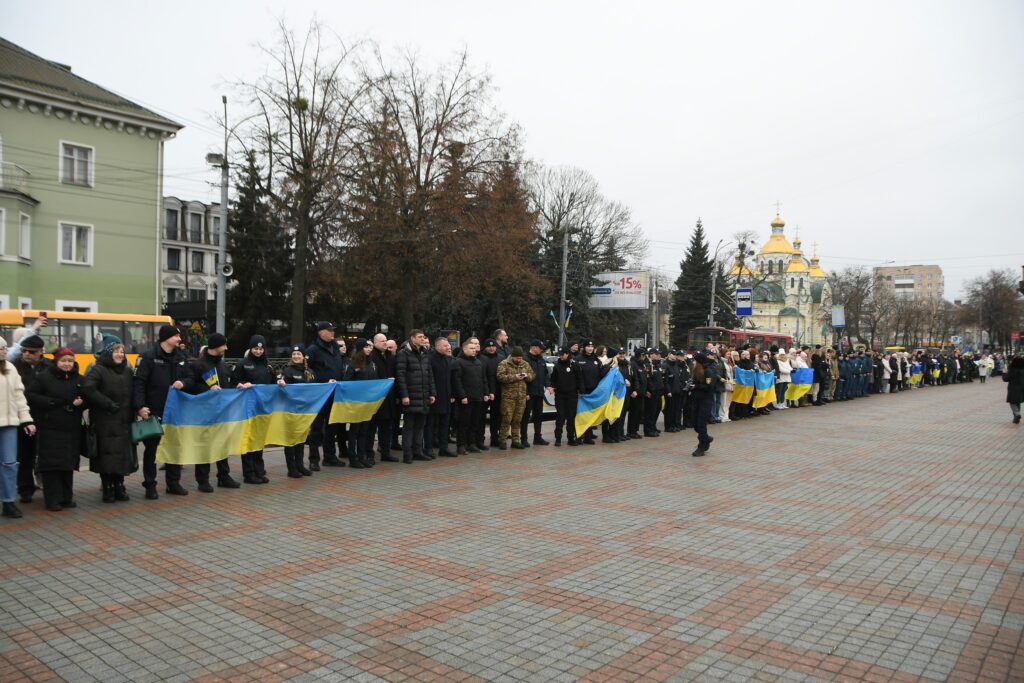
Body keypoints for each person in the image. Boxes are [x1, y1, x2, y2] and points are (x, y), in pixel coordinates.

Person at [133, 324, 191, 497]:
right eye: (176, 336)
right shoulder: (149, 357)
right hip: (154, 411)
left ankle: (173, 483)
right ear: (166, 338)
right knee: (152, 451)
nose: (180, 339)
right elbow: (139, 383)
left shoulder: (181, 357)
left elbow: (190, 377)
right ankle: (150, 486)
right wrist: (140, 407)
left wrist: (184, 383)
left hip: (175, 412)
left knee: (174, 447)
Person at [26, 348, 84, 511]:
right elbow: (31, 395)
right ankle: (52, 500)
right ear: (56, 362)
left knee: (67, 464)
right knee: (51, 466)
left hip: (71, 428)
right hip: (50, 427)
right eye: (63, 361)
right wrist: (53, 403)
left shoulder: (78, 378)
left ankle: (67, 498)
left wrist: (81, 402)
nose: (67, 364)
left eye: (70, 361)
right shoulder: (44, 377)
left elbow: (88, 395)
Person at [182, 333, 240, 491]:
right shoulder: (198, 365)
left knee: (222, 444)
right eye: (224, 345)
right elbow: (191, 387)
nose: (226, 348)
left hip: (222, 413)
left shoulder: (223, 366)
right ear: (215, 346)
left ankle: (223, 476)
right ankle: (203, 480)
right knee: (204, 446)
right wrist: (208, 389)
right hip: (204, 413)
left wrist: (238, 387)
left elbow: (230, 384)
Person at [82, 338, 137, 503]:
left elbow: (133, 393)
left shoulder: (127, 371)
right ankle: (108, 488)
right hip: (104, 420)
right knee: (106, 457)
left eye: (122, 352)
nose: (120, 354)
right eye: (116, 351)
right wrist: (107, 404)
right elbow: (87, 388)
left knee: (121, 456)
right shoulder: (99, 369)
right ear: (108, 353)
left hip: (123, 421)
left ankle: (119, 485)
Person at [231, 335, 277, 484]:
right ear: (250, 349)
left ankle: (259, 471)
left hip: (262, 409)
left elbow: (272, 384)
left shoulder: (267, 366)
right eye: (255, 349)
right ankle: (249, 474)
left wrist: (279, 381)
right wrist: (242, 384)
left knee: (259, 440)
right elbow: (234, 383)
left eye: (260, 349)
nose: (258, 351)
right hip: (247, 409)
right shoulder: (243, 364)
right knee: (249, 441)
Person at [0, 336, 36, 519]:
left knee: (9, 464)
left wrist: (27, 420)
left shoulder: (10, 368)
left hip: (10, 425)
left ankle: (8, 502)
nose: (4, 351)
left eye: (5, 348)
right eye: (1, 349)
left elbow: (19, 397)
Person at [12, 334, 47, 503]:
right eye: (24, 351)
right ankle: (25, 488)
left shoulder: (48, 366)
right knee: (24, 456)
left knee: (45, 454)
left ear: (41, 352)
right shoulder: (15, 367)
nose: (26, 354)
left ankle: (47, 484)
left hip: (45, 417)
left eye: (31, 352)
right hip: (23, 419)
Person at [305, 322, 345, 469]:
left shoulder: (335, 347)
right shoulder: (313, 350)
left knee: (332, 426)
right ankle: (313, 459)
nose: (332, 333)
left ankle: (330, 457)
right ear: (321, 332)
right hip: (320, 394)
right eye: (329, 330)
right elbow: (308, 372)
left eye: (333, 330)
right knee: (316, 428)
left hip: (335, 393)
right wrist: (323, 381)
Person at [395, 329, 436, 463]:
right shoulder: (404, 353)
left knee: (420, 425)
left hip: (423, 395)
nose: (423, 339)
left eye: (423, 337)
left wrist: (432, 393)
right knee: (409, 426)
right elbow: (400, 375)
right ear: (412, 338)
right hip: (411, 396)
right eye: (420, 337)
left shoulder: (425, 353)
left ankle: (417, 451)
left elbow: (429, 374)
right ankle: (407, 454)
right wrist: (404, 395)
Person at [342, 338, 383, 468]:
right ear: (360, 348)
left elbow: (375, 381)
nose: (369, 349)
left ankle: (362, 456)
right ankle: (353, 458)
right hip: (356, 403)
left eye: (370, 347)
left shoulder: (372, 363)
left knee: (364, 431)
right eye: (366, 347)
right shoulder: (353, 364)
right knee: (354, 431)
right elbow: (346, 382)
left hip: (368, 403)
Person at [279, 345, 315, 477]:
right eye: (293, 354)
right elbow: (281, 387)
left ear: (303, 356)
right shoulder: (287, 371)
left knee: (301, 438)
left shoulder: (309, 371)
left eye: (298, 354)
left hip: (304, 411)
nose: (295, 356)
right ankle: (291, 468)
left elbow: (315, 388)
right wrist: (281, 384)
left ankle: (300, 465)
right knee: (290, 439)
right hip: (290, 410)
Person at [452, 337, 491, 455]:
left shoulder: (479, 362)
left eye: (475, 348)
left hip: (478, 397)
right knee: (464, 423)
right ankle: (461, 445)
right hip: (465, 399)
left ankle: (471, 443)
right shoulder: (458, 362)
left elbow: (483, 379)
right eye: (471, 348)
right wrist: (462, 396)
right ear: (464, 349)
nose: (474, 350)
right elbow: (457, 381)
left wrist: (486, 393)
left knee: (475, 422)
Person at [496, 347, 534, 450]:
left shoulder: (525, 364)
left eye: (520, 358)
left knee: (518, 420)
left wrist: (526, 375)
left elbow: (532, 375)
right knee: (506, 419)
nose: (519, 360)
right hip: (508, 397)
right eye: (517, 358)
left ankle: (515, 441)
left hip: (521, 397)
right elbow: (500, 377)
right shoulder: (504, 363)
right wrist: (515, 377)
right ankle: (502, 440)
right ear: (512, 356)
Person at [425, 337, 455, 458]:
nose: (448, 348)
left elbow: (450, 380)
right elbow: (429, 379)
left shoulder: (448, 360)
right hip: (435, 397)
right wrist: (431, 394)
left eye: (448, 346)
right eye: (445, 346)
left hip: (446, 397)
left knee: (445, 424)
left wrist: (452, 394)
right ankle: (428, 448)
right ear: (437, 347)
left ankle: (444, 448)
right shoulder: (430, 359)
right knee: (431, 424)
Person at [370, 334, 398, 462]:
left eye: (386, 340)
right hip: (375, 398)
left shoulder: (390, 357)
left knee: (386, 427)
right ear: (375, 343)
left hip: (389, 397)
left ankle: (386, 453)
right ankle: (369, 454)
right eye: (382, 341)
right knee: (371, 428)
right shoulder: (371, 357)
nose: (385, 343)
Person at [549, 347, 582, 446]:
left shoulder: (574, 365)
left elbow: (579, 378)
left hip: (572, 395)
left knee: (571, 417)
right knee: (560, 417)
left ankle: (571, 438)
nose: (561, 356)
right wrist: (552, 387)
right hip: (560, 395)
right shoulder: (557, 366)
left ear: (567, 354)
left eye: (563, 354)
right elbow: (553, 380)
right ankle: (558, 438)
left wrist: (580, 390)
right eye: (560, 354)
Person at [690, 351, 720, 458]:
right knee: (695, 424)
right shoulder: (697, 371)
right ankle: (706, 438)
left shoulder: (708, 371)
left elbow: (709, 387)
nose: (693, 362)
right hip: (696, 400)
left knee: (701, 424)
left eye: (694, 361)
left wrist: (696, 387)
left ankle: (701, 446)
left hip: (705, 401)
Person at [521, 339, 550, 447]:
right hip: (528, 393)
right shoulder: (525, 359)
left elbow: (546, 374)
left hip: (539, 392)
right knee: (525, 417)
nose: (541, 350)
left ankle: (537, 437)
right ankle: (523, 439)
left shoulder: (541, 359)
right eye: (540, 348)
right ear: (533, 347)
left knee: (538, 416)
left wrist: (548, 385)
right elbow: (522, 378)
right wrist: (526, 392)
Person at [480, 339, 503, 447]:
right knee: (481, 417)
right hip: (483, 391)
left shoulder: (500, 358)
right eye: (489, 346)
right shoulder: (481, 358)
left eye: (493, 346)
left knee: (496, 416)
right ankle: (480, 439)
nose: (491, 348)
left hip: (497, 392)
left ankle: (495, 438)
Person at [1004, 355, 1023, 424]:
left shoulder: (1011, 369)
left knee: (1012, 402)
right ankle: (1016, 419)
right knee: (1017, 402)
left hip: (1013, 388)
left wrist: (1004, 372)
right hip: (1021, 388)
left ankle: (1017, 414)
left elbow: (1005, 379)